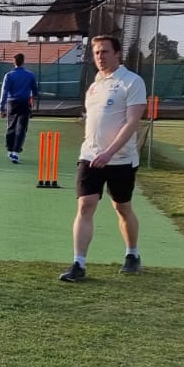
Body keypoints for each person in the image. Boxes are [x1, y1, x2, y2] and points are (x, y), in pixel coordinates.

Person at [60, 34, 148, 282]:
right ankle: (78, 264)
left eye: (105, 52)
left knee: (122, 207)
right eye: (96, 52)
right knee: (85, 205)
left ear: (117, 54)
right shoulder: (95, 85)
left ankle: (132, 254)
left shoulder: (132, 82)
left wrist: (109, 152)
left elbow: (132, 123)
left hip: (120, 159)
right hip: (89, 156)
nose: (100, 56)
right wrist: (95, 149)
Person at [0, 53, 39, 163]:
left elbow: (4, 91)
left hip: (12, 103)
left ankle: (10, 150)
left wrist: (1, 108)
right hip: (24, 103)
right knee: (22, 128)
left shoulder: (9, 75)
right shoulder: (30, 75)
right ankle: (15, 152)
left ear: (14, 62)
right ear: (23, 61)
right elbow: (35, 91)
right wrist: (33, 98)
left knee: (11, 126)